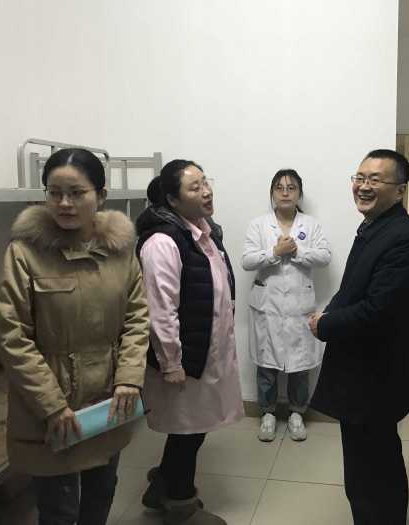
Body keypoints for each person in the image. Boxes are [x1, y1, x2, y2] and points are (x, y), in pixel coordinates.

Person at [0, 148, 150, 525]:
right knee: (59, 509)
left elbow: (136, 318)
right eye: (55, 193)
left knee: (101, 493)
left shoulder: (120, 251)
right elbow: (13, 336)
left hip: (107, 400)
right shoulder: (24, 253)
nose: (64, 203)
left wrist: (129, 378)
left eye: (77, 193)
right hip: (50, 405)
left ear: (101, 195)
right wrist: (51, 404)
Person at [308, 149, 409, 525]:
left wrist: (325, 324)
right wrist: (331, 312)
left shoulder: (402, 239)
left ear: (400, 190)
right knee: (364, 472)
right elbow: (356, 290)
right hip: (361, 376)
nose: (363, 186)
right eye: (359, 178)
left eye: (375, 179)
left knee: (375, 475)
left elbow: (378, 312)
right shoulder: (375, 227)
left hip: (374, 379)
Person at [136, 160, 244, 525]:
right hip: (184, 359)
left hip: (205, 353)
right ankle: (180, 504)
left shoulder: (204, 232)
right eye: (195, 187)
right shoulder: (162, 243)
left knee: (192, 429)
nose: (207, 191)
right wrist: (171, 363)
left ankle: (161, 488)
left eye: (205, 182)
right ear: (172, 199)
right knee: (188, 431)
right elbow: (160, 309)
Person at [242, 169, 331, 442]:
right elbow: (247, 261)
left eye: (291, 187)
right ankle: (267, 413)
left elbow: (324, 256)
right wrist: (274, 253)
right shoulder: (259, 225)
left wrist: (297, 251)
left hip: (298, 306)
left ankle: (296, 413)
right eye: (279, 187)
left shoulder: (311, 225)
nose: (285, 192)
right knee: (266, 364)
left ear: (299, 194)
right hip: (267, 306)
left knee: (299, 364)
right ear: (272, 193)